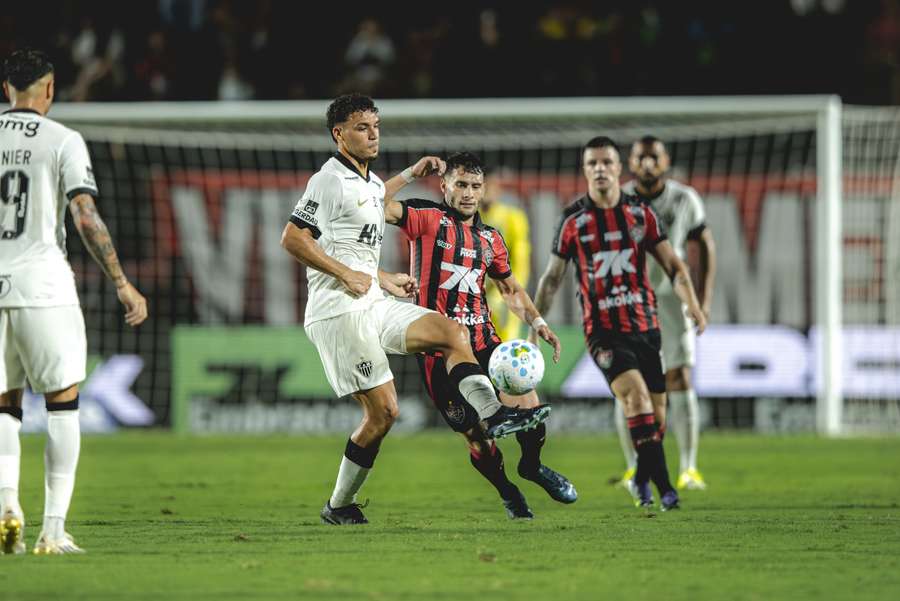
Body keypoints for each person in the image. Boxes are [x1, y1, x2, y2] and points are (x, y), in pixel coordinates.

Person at [280, 94, 550, 526]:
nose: (373, 135)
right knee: (384, 413)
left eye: (376, 126)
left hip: (374, 301)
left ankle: (494, 413)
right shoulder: (328, 180)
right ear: (339, 134)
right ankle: (339, 504)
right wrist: (345, 274)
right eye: (362, 127)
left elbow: (363, 222)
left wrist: (383, 277)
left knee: (451, 333)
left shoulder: (369, 182)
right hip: (338, 311)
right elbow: (293, 238)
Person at [0, 49, 148, 555]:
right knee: (63, 404)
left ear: (5, 90)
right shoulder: (63, 139)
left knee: (4, 406)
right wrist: (121, 281)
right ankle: (53, 530)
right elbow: (85, 215)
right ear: (49, 89)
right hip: (42, 285)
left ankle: (6, 506)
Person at [381, 152, 576, 519]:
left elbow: (510, 289)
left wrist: (538, 322)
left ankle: (532, 466)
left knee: (530, 405)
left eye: (475, 186)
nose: (468, 193)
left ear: (483, 189)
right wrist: (409, 174)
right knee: (478, 440)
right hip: (438, 351)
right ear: (444, 186)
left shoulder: (491, 239)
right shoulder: (426, 217)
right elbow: (373, 203)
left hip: (485, 342)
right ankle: (507, 490)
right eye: (461, 184)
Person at [531, 136, 706, 511]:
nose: (599, 169)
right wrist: (535, 323)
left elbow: (674, 266)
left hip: (645, 326)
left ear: (617, 168)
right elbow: (551, 279)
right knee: (636, 398)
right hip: (603, 332)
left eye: (606, 163)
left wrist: (693, 303)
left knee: (656, 417)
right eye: (592, 163)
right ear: (585, 171)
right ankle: (665, 488)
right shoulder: (573, 221)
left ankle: (641, 477)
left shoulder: (640, 214)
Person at [614, 135, 717, 491]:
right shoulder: (617, 199)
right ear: (630, 163)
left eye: (653, 158)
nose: (647, 164)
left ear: (665, 161)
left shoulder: (684, 199)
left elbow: (705, 244)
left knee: (680, 377)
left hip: (672, 299)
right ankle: (633, 468)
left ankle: (689, 468)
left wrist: (702, 299)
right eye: (640, 158)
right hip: (628, 300)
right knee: (628, 381)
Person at [480, 170, 531, 341]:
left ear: (498, 190)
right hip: (476, 289)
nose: (486, 192)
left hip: (504, 286)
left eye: (491, 187)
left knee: (501, 321)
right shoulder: (469, 219)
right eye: (482, 187)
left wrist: (513, 289)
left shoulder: (512, 217)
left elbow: (521, 260)